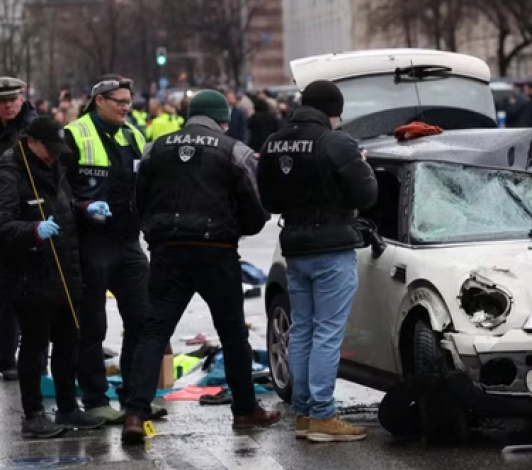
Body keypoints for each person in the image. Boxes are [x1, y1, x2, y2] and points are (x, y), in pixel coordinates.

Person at [121, 90, 278, 444]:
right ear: (223, 120)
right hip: (216, 251)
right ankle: (245, 410)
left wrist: (156, 231)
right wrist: (236, 229)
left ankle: (135, 413)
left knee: (153, 332)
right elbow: (256, 208)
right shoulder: (233, 149)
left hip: (167, 252)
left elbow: (138, 200)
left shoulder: (155, 148)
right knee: (233, 334)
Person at [257, 80, 377, 442]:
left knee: (304, 329)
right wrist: (363, 167)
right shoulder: (335, 142)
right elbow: (368, 194)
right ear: (333, 110)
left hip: (294, 247)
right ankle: (323, 415)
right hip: (331, 247)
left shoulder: (274, 142)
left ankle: (306, 412)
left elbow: (269, 199)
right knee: (327, 331)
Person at [0, 117, 106, 438]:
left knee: (67, 343)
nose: (53, 155)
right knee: (34, 347)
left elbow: (65, 203)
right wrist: (33, 230)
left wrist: (85, 208)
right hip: (29, 277)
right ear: (30, 141)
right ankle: (32, 416)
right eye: (49, 148)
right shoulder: (9, 173)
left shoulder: (53, 166)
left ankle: (67, 408)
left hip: (65, 270)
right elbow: (3, 224)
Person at [60, 75, 156, 424]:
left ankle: (135, 396)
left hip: (129, 241)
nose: (126, 106)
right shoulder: (73, 135)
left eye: (129, 101)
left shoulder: (133, 134)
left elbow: (145, 184)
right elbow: (59, 191)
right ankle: (95, 398)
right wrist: (84, 208)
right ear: (98, 100)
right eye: (119, 100)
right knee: (92, 325)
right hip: (92, 243)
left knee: (143, 319)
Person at [0, 77, 37, 381]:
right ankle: (7, 357)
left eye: (13, 99)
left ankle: (34, 356)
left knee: (32, 292)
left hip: (28, 217)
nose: (9, 105)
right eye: (3, 101)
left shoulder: (34, 130)